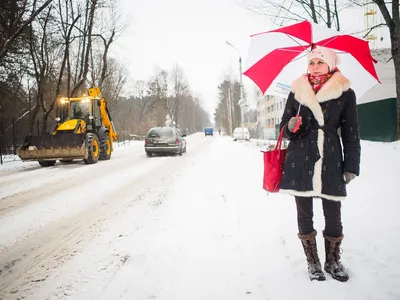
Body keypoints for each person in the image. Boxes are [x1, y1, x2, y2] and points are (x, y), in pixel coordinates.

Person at [279, 46, 361, 282]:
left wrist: (351, 165)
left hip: (331, 157)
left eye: (320, 62)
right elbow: (284, 129)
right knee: (304, 214)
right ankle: (312, 262)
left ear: (331, 65)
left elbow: (351, 132)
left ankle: (333, 261)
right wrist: (291, 125)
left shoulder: (345, 93)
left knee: (333, 214)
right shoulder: (297, 92)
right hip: (300, 158)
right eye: (311, 62)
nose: (314, 66)